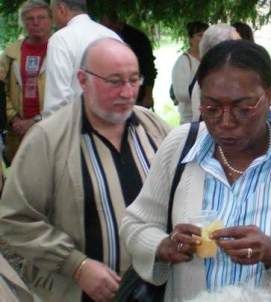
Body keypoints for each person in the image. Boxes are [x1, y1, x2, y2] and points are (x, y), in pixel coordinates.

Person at [120, 40, 271, 301]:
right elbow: (135, 225)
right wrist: (163, 245)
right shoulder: (179, 147)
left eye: (244, 108)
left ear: (268, 96)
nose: (226, 122)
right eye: (212, 108)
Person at [0, 38, 170, 302]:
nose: (127, 92)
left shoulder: (153, 128)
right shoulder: (48, 138)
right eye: (114, 81)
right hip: (83, 294)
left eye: (134, 80)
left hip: (156, 289)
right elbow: (15, 218)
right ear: (82, 80)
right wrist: (76, 266)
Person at [43, 0, 121, 116]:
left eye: (52, 12)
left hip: (78, 126)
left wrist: (54, 132)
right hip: (114, 122)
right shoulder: (112, 35)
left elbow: (57, 99)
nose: (52, 19)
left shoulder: (61, 39)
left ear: (61, 9)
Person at [0, 0, 52, 164]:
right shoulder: (10, 55)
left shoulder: (61, 50)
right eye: (30, 18)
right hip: (17, 131)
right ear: (23, 23)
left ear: (51, 20)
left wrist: (36, 121)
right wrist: (14, 119)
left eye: (41, 17)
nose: (36, 22)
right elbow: (2, 91)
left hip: (51, 127)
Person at [101, 11, 157, 109]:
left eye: (108, 26)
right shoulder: (103, 38)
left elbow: (149, 69)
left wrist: (148, 95)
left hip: (137, 97)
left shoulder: (138, 38)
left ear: (114, 22)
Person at [190, 24, 241, 122]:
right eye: (240, 45)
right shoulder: (220, 84)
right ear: (223, 52)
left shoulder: (205, 78)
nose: (245, 51)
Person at [171, 21, 208, 124]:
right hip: (190, 120)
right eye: (200, 35)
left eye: (206, 35)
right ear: (190, 39)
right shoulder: (183, 62)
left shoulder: (211, 59)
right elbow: (180, 94)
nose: (204, 38)